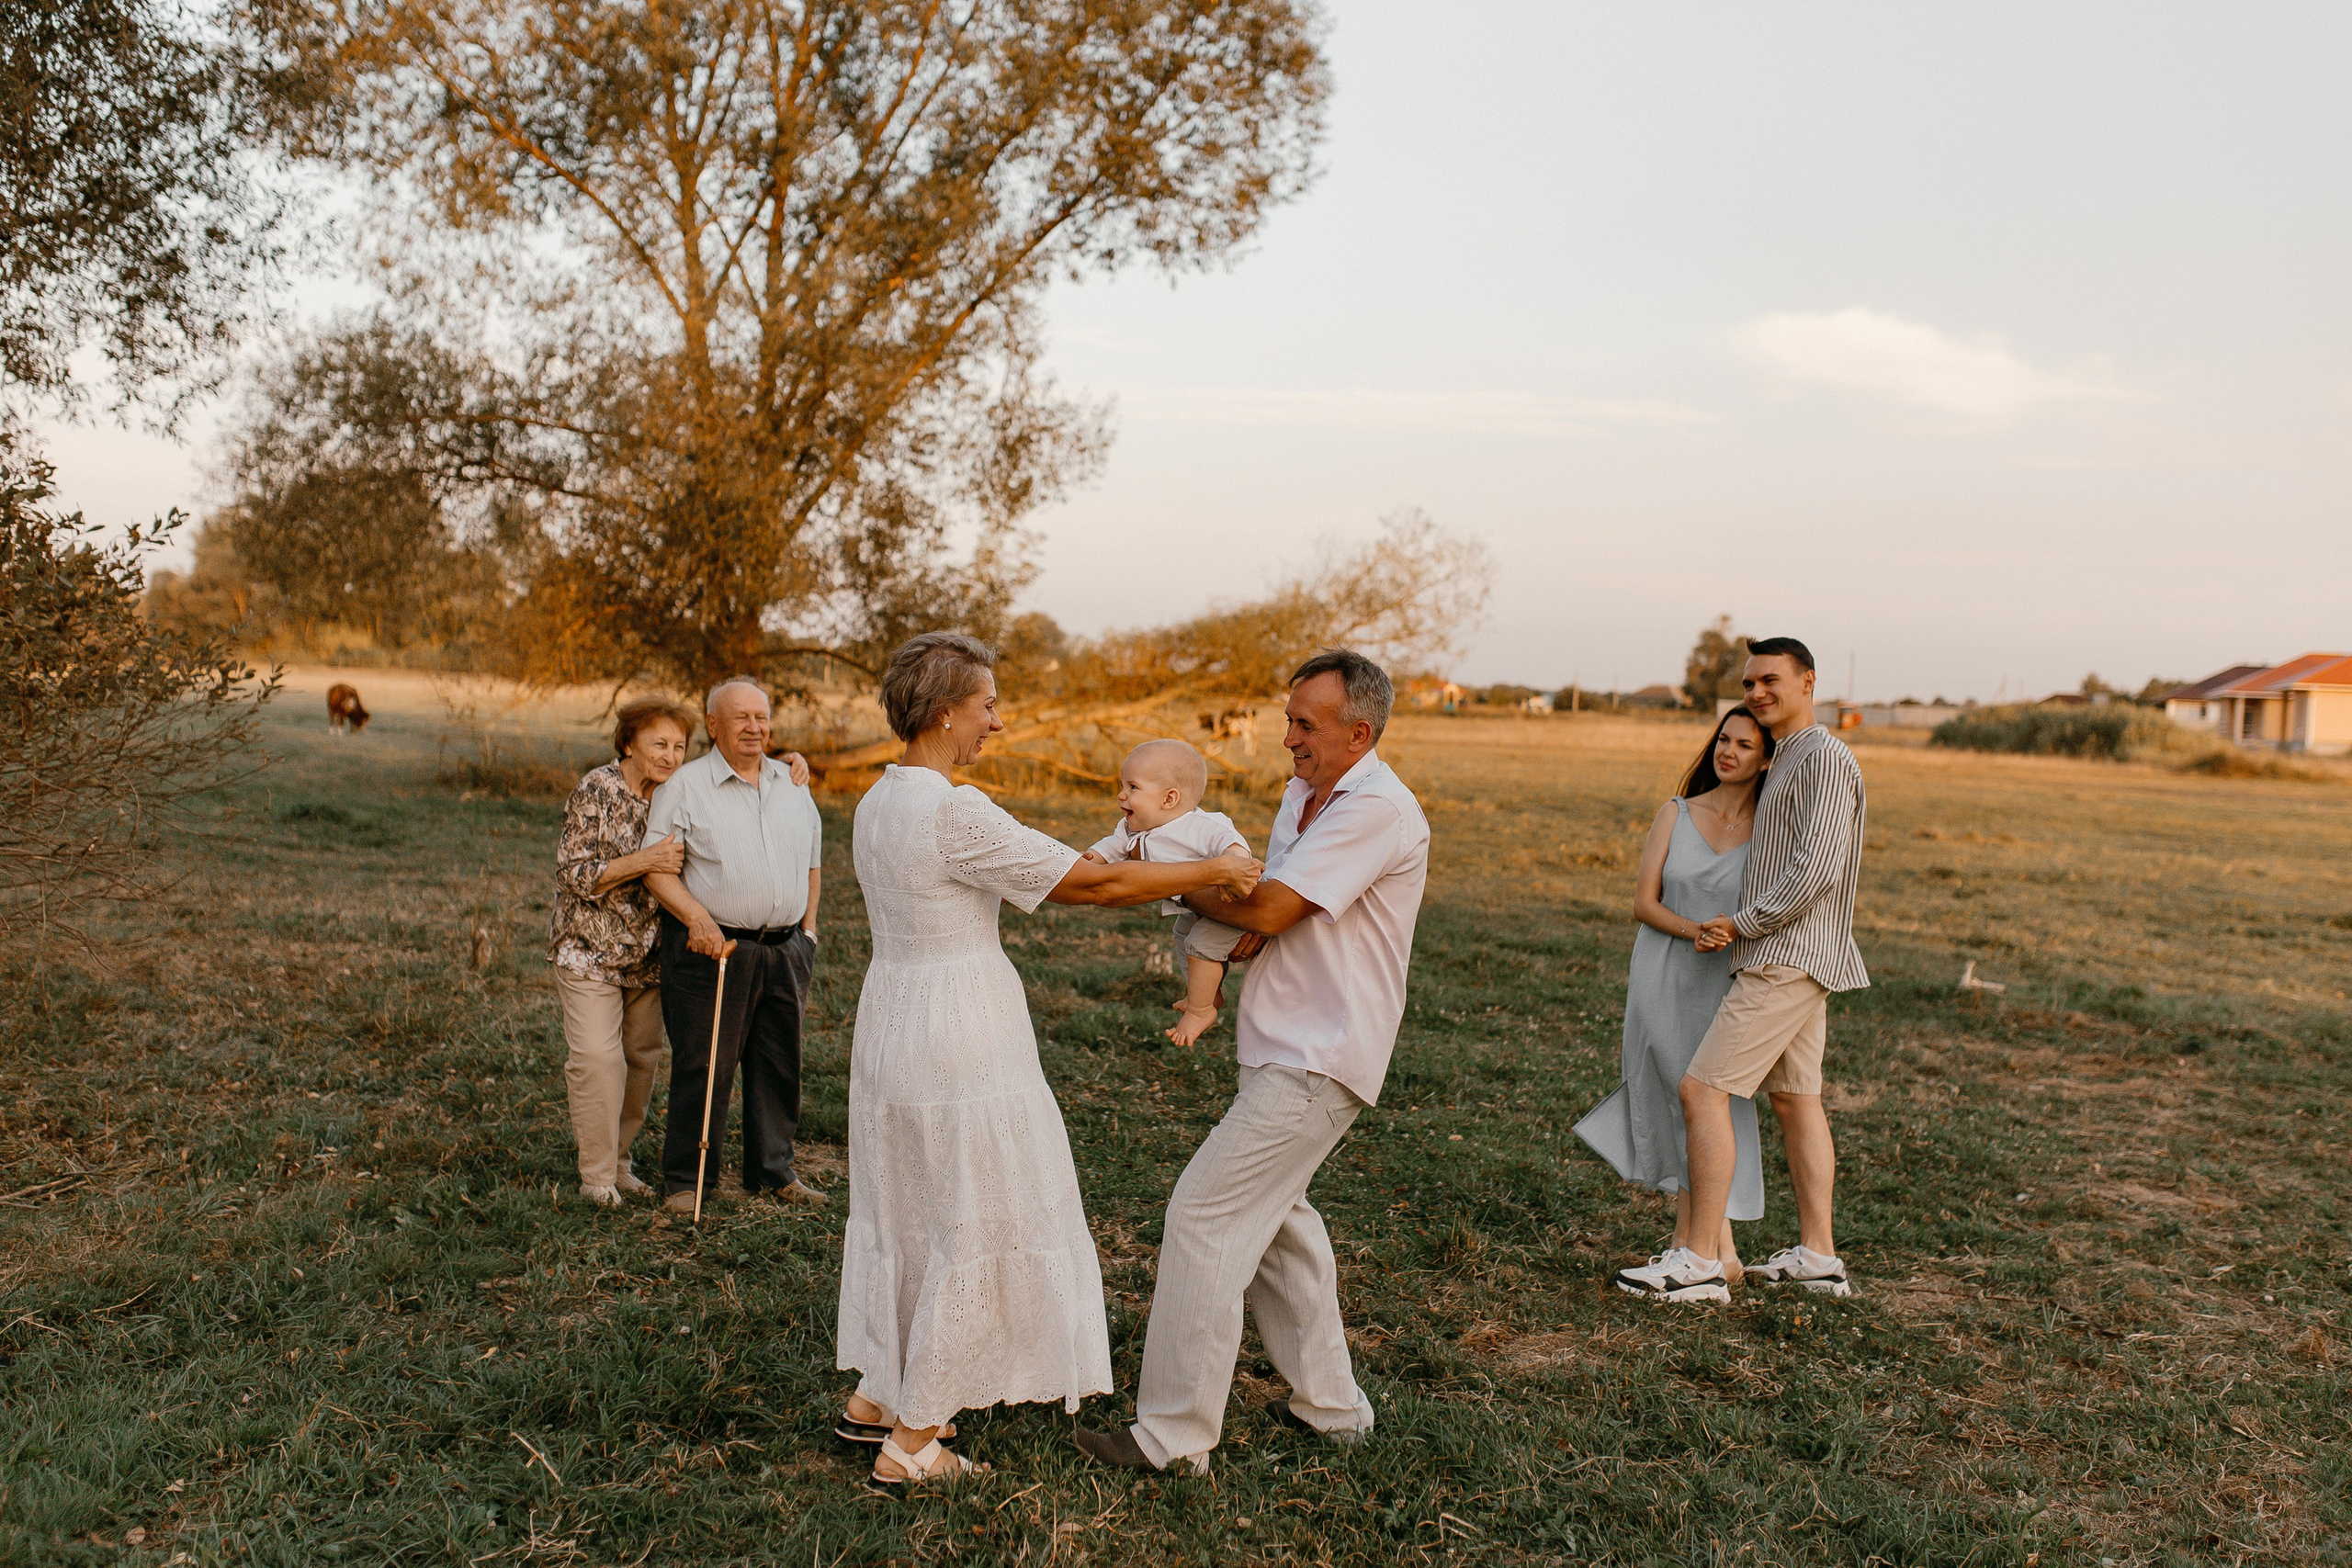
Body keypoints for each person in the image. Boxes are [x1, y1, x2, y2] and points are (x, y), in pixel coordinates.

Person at [834, 632, 1264, 1491]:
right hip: (962, 1026)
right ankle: (912, 1441)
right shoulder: (954, 811)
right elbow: (1088, 884)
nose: (996, 721)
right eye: (987, 705)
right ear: (947, 710)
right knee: (975, 1207)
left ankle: (880, 1395)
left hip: (892, 1017)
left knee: (909, 1198)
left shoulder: (879, 799)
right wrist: (1212, 865)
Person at [1076, 649, 1429, 1477]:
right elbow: (1266, 900)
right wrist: (1225, 895)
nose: (1288, 739)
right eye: (1288, 719)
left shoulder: (1376, 807)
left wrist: (1162, 873)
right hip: (1279, 1038)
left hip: (1324, 1051)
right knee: (1280, 1230)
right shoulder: (1303, 793)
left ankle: (1171, 1437)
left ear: (1358, 731)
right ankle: (1334, 1409)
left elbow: (1265, 901)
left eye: (1306, 724)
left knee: (1205, 1216)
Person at [1616, 637, 1870, 1303]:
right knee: (1795, 1098)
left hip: (1784, 955)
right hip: (1793, 953)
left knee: (1702, 1092)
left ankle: (1699, 1260)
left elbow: (1816, 869)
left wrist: (1746, 922)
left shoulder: (1823, 757)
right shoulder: (1788, 758)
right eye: (1751, 681)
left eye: (1771, 679)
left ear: (1808, 681)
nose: (1758, 690)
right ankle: (1819, 1255)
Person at [1575, 706, 1775, 1299]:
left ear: (1765, 759)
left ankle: (1710, 1249)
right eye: (1723, 739)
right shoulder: (1678, 812)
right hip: (1665, 972)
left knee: (1714, 1104)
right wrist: (1696, 930)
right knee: (1671, 1096)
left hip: (1727, 980)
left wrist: (1732, 932)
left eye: (1744, 744)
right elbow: (1644, 901)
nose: (1728, 751)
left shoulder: (1770, 826)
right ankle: (1710, 1249)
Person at [640, 680, 820, 1213]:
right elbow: (656, 870)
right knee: (705, 1064)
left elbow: (812, 861)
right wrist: (697, 917)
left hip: (785, 949)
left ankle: (773, 1170)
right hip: (712, 949)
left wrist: (807, 934)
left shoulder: (792, 781)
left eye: (761, 717)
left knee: (778, 1061)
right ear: (713, 724)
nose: (753, 727)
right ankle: (687, 1182)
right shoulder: (686, 786)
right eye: (739, 717)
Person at [548, 698, 695, 1206]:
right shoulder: (598, 788)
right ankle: (596, 1178)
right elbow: (574, 875)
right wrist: (645, 860)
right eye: (659, 744)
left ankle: (620, 1161)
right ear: (629, 743)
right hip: (587, 950)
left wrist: (789, 763)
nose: (671, 756)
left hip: (649, 956)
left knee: (641, 1060)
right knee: (596, 1059)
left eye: (679, 746)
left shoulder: (676, 794)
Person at [1080, 739, 1253, 1047]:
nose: (1121, 795)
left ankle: (1201, 1011)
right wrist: (1091, 859)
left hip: (1227, 910)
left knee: (1200, 945)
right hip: (1193, 910)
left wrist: (1234, 865)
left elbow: (1233, 845)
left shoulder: (1201, 825)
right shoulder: (1131, 827)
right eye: (1123, 785)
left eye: (1132, 787)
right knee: (1182, 936)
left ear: (1169, 798)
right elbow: (1112, 845)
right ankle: (1205, 993)